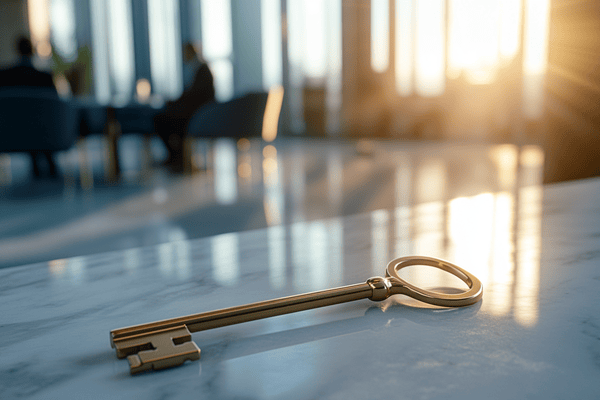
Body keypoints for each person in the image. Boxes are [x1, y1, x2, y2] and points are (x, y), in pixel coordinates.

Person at [0, 36, 59, 177]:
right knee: (41, 120)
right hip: (44, 132)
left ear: (17, 50)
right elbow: (55, 109)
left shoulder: (4, 76)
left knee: (29, 121)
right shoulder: (45, 77)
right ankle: (50, 163)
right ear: (32, 51)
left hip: (13, 131)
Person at [154, 43, 215, 172]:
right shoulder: (196, 69)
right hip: (195, 111)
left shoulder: (202, 70)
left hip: (198, 113)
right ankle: (177, 157)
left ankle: (178, 157)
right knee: (163, 119)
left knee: (164, 121)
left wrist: (175, 103)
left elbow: (196, 95)